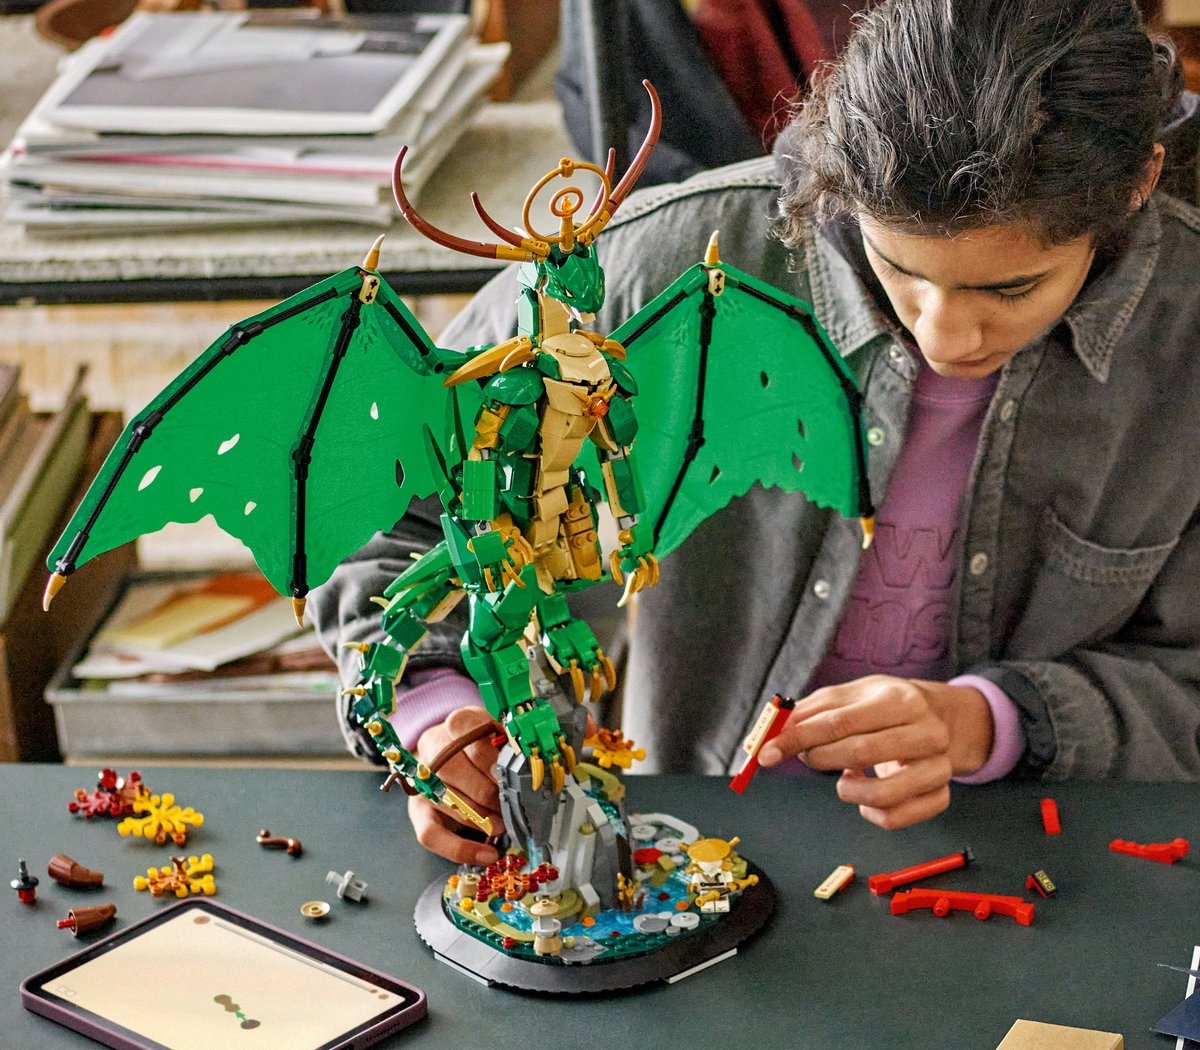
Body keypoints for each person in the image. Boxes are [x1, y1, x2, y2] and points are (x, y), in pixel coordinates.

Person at [312, 0, 1200, 865]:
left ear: (1136, 185)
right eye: (900, 266)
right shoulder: (658, 273)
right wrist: (434, 711)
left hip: (1055, 862)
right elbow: (382, 511)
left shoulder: (1185, 339)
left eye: (1009, 289)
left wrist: (995, 724)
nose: (943, 334)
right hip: (683, 844)